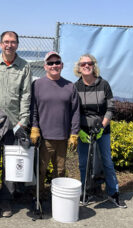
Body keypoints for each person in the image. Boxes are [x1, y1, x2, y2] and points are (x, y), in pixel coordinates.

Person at [0, 31, 32, 217]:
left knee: (11, 164)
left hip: (14, 123)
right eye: (6, 42)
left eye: (12, 42)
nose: (9, 45)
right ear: (0, 44)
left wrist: (23, 120)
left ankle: (5, 201)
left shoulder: (24, 67)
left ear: (17, 44)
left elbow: (26, 95)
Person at [74, 54, 127, 208]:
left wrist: (102, 127)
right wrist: (79, 131)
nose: (86, 66)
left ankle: (113, 193)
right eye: (82, 63)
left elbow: (110, 108)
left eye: (89, 63)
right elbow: (74, 111)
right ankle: (86, 193)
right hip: (83, 132)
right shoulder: (75, 87)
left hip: (102, 131)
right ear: (78, 67)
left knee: (107, 162)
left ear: (94, 65)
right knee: (84, 164)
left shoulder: (104, 84)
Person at [30, 51, 80, 200]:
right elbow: (33, 109)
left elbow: (76, 112)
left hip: (63, 138)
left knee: (60, 170)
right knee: (40, 170)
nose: (54, 66)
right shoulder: (37, 85)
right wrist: (34, 127)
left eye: (57, 62)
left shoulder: (70, 86)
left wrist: (74, 133)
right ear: (45, 66)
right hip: (44, 138)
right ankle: (38, 198)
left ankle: (58, 198)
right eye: (50, 63)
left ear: (62, 65)